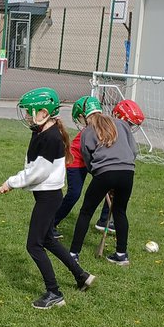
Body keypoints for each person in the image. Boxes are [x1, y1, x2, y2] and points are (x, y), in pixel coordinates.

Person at [0, 87, 96, 309]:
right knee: (49, 240)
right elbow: (33, 166)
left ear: (43, 112)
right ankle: (81, 275)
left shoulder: (51, 137)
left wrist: (12, 182)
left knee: (34, 245)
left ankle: (54, 293)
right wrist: (15, 182)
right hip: (48, 196)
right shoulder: (42, 132)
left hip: (49, 198)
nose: (26, 116)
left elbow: (37, 172)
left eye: (29, 112)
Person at [68, 99, 143, 267]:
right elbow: (133, 151)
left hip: (104, 172)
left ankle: (73, 253)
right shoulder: (122, 124)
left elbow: (89, 159)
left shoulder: (87, 131)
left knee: (86, 212)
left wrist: (102, 178)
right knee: (120, 211)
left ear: (84, 117)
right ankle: (121, 255)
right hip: (127, 172)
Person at [50, 96, 109, 240]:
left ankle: (104, 221)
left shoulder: (104, 125)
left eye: (80, 118)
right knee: (74, 194)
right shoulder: (88, 131)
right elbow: (86, 152)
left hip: (92, 161)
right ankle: (50, 224)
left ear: (84, 115)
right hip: (76, 162)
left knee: (110, 186)